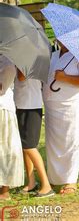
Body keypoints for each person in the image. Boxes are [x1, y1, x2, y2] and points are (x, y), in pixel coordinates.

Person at [43, 42, 79, 195]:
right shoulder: (53, 56)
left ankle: (71, 180)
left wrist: (65, 78)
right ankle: (55, 178)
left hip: (73, 105)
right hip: (52, 105)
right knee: (54, 143)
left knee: (72, 141)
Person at [14, 70, 54, 197]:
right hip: (21, 104)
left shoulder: (28, 58)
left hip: (30, 105)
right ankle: (31, 182)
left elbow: (21, 77)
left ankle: (46, 186)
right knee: (25, 146)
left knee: (30, 146)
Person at [0, 55, 24, 200]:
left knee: (6, 148)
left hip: (3, 109)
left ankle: (5, 189)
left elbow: (1, 89)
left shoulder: (8, 63)